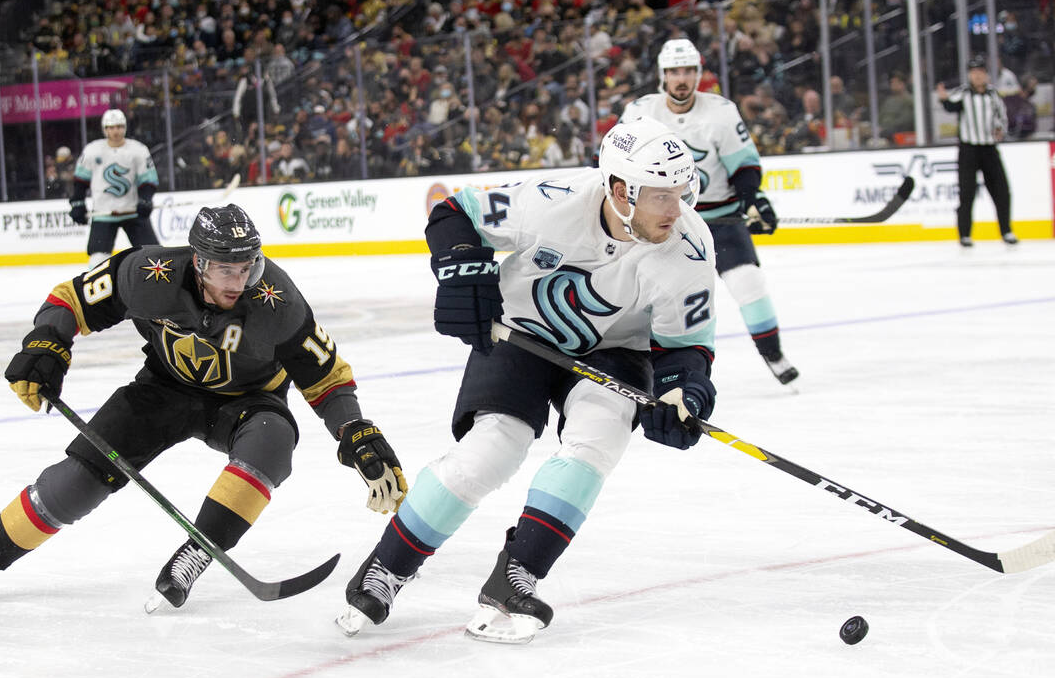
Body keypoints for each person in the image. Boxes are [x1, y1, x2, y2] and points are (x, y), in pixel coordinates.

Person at [336, 117, 719, 644]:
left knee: (599, 436)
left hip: (614, 352)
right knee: (491, 451)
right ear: (619, 190)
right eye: (661, 197)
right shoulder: (549, 200)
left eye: (682, 193)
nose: (676, 211)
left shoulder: (689, 245)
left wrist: (683, 390)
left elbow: (685, 347)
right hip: (521, 335)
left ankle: (516, 575)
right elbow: (453, 214)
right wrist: (461, 269)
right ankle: (387, 568)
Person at [0, 205, 407, 610]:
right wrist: (48, 342)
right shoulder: (150, 273)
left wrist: (356, 431)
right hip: (162, 389)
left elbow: (324, 375)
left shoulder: (275, 298)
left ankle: (197, 552)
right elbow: (72, 298)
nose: (240, 280)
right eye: (227, 269)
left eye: (248, 267)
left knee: (273, 443)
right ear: (200, 262)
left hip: (248, 400)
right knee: (77, 482)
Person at [620, 38, 798, 385]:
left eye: (688, 70)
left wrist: (753, 199)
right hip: (663, 222)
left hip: (720, 218)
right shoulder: (641, 112)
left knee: (749, 282)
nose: (681, 79)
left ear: (699, 74)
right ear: (662, 76)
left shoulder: (720, 111)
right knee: (643, 297)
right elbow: (614, 162)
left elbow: (743, 165)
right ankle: (641, 367)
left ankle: (773, 355)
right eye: (674, 72)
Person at [937, 56, 1017, 247]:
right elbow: (951, 105)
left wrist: (1000, 130)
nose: (978, 76)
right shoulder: (964, 93)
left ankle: (1006, 230)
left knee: (1002, 192)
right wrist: (943, 99)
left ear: (986, 74)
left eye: (981, 72)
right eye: (974, 73)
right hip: (969, 150)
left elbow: (1002, 117)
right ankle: (965, 234)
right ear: (969, 75)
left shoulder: (993, 94)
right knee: (967, 193)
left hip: (989, 149)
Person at [70, 109, 161, 268]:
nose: (115, 131)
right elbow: (80, 181)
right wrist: (77, 203)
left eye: (119, 126)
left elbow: (148, 180)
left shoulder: (138, 150)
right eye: (111, 127)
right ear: (105, 129)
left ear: (125, 127)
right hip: (103, 213)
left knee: (155, 257)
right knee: (97, 261)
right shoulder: (92, 150)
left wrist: (145, 199)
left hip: (132, 211)